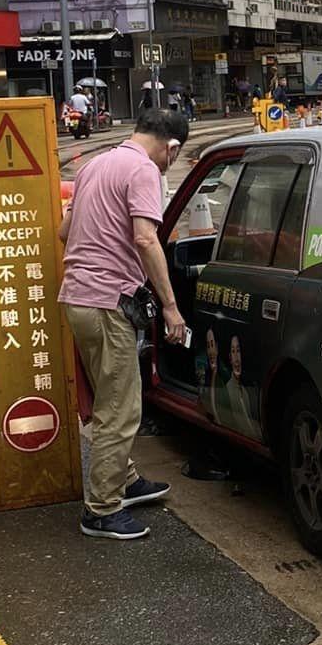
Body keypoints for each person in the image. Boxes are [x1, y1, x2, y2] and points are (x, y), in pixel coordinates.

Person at [60, 101, 190, 541]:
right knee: (121, 408)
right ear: (172, 148)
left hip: (78, 298)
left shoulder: (95, 165)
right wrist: (170, 306)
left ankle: (125, 480)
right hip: (109, 303)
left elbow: (64, 231)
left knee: (108, 397)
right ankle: (102, 509)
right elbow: (145, 239)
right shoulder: (143, 171)